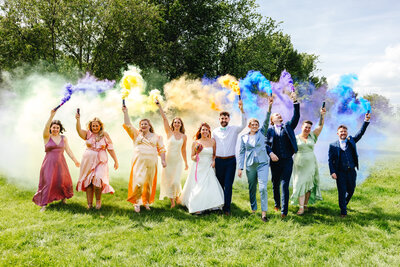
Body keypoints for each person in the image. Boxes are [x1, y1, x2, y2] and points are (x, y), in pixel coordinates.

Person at [33, 109, 80, 211]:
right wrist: (51, 116)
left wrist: (75, 160)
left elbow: (68, 150)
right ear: (50, 128)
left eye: (57, 128)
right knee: (48, 182)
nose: (55, 129)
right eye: (53, 127)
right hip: (48, 164)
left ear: (60, 129)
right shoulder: (46, 137)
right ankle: (44, 204)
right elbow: (46, 127)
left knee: (61, 181)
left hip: (61, 163)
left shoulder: (64, 138)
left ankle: (63, 199)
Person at [122, 106, 167, 213]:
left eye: (145, 124)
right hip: (139, 162)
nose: (143, 125)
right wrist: (125, 112)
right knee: (138, 181)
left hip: (152, 162)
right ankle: (136, 203)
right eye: (141, 124)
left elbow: (162, 149)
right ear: (140, 126)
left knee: (148, 183)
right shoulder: (136, 134)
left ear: (149, 126)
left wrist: (163, 160)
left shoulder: (157, 136)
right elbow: (128, 124)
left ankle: (146, 202)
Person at [328, 112, 371, 217]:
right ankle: (343, 211)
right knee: (342, 192)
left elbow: (360, 133)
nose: (343, 133)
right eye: (341, 131)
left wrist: (366, 121)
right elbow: (330, 160)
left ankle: (344, 204)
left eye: (344, 131)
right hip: (340, 172)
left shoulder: (351, 140)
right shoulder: (332, 145)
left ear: (347, 133)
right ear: (338, 133)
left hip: (351, 171)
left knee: (351, 190)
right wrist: (332, 172)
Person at [238, 96, 273, 222]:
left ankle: (264, 214)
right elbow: (241, 153)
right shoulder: (243, 138)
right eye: (252, 124)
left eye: (256, 124)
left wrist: (269, 106)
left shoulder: (262, 133)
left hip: (262, 163)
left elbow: (267, 120)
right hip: (250, 165)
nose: (254, 126)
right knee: (252, 187)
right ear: (249, 126)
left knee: (263, 188)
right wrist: (240, 167)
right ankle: (254, 209)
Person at [266, 92, 299, 218]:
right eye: (276, 115)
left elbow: (296, 116)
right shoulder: (269, 131)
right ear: (272, 120)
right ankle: (277, 204)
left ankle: (284, 211)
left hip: (287, 161)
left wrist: (295, 101)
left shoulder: (288, 127)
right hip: (274, 161)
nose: (278, 115)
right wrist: (270, 153)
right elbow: (265, 144)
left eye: (279, 115)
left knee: (285, 185)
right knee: (275, 184)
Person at [75, 114, 118, 210]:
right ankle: (89, 204)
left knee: (98, 179)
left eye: (96, 125)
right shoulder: (87, 134)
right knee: (88, 182)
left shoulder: (105, 135)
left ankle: (98, 202)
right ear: (90, 126)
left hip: (101, 161)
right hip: (88, 161)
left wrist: (115, 160)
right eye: (93, 126)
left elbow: (110, 148)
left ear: (100, 126)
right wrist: (78, 119)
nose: (95, 127)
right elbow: (78, 130)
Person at [181, 123, 224, 214]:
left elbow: (214, 154)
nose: (205, 131)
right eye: (203, 130)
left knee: (209, 185)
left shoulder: (212, 141)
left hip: (208, 166)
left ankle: (212, 205)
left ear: (209, 131)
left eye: (206, 130)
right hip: (198, 166)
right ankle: (197, 206)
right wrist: (195, 157)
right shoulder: (196, 142)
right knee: (198, 186)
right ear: (200, 131)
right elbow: (192, 156)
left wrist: (213, 161)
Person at [212, 100, 246, 215]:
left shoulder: (234, 129)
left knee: (228, 185)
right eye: (222, 118)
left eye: (226, 118)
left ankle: (227, 208)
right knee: (219, 185)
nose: (224, 120)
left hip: (231, 161)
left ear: (229, 119)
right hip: (218, 161)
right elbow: (212, 146)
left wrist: (242, 110)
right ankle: (219, 205)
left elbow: (244, 124)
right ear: (219, 119)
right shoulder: (214, 131)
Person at [290, 107, 326, 215]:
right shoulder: (295, 138)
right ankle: (300, 208)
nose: (307, 129)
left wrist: (322, 115)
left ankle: (305, 205)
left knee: (309, 184)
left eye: (309, 128)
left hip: (311, 163)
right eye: (306, 127)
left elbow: (320, 126)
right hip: (299, 164)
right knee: (300, 183)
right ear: (302, 127)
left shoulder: (312, 136)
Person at [156, 100, 188, 208]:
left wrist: (186, 163)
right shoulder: (169, 133)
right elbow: (164, 118)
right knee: (169, 181)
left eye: (179, 122)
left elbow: (183, 150)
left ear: (181, 124)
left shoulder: (184, 136)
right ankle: (173, 202)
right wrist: (159, 106)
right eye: (175, 122)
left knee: (175, 181)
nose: (177, 124)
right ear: (173, 124)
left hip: (178, 161)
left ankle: (177, 196)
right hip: (168, 160)